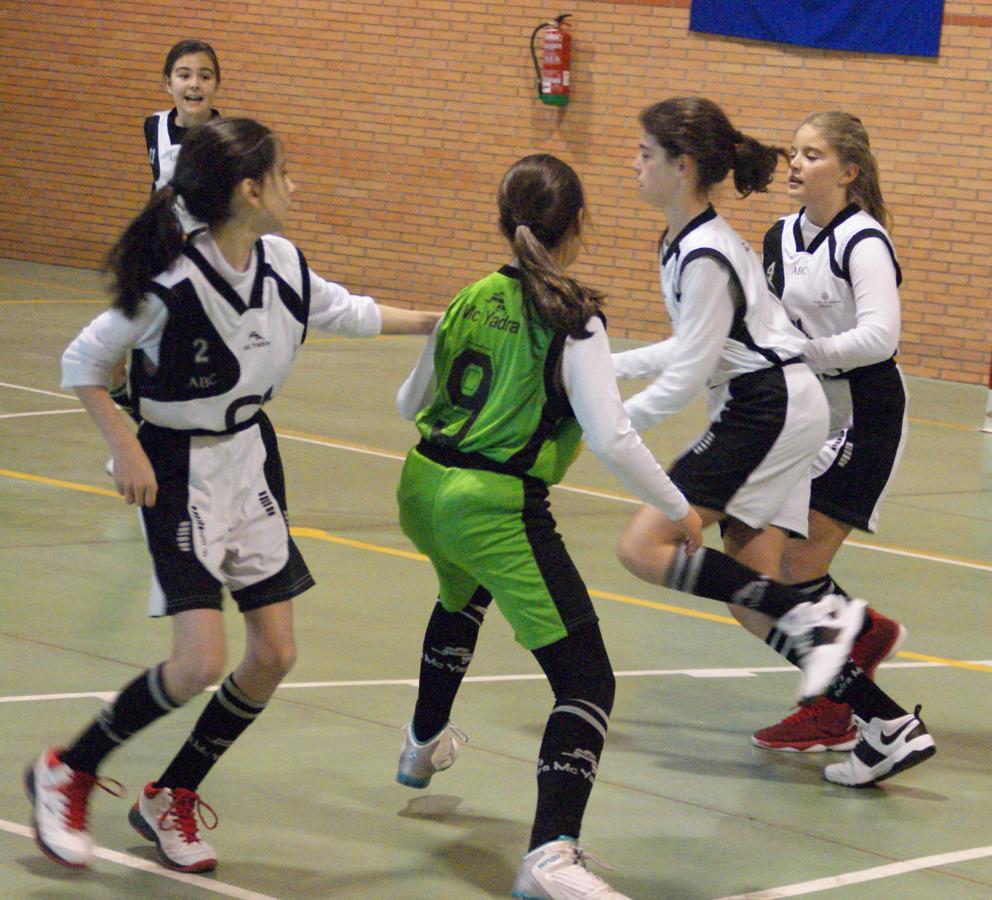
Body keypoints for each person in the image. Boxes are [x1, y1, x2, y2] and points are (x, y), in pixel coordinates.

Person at [390, 154, 851, 900]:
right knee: (587, 681)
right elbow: (610, 438)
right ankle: (550, 857)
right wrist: (675, 505)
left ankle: (419, 745)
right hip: (494, 503)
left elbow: (408, 402)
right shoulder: (574, 315)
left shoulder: (470, 297)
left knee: (460, 597)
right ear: (580, 225)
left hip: (421, 488)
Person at [25, 117, 439, 873]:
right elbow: (82, 361)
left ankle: (169, 793)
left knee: (274, 654)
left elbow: (344, 309)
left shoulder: (279, 260)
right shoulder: (170, 283)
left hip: (249, 458)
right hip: (175, 468)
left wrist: (435, 323)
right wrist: (123, 445)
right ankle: (67, 769)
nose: (295, 185)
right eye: (284, 173)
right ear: (249, 190)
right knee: (196, 664)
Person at [752, 111, 936, 786]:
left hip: (864, 415)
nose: (796, 164)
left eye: (813, 154)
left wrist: (804, 351)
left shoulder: (862, 240)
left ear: (848, 171)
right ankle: (855, 651)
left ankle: (843, 703)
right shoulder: (779, 236)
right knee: (775, 568)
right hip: (809, 412)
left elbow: (879, 338)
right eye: (793, 152)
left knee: (790, 569)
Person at [108, 39, 222, 416]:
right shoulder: (153, 125)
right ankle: (125, 381)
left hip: (204, 249)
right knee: (132, 313)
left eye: (205, 77)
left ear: (215, 85)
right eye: (184, 75)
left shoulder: (225, 138)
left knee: (189, 328)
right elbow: (159, 183)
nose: (194, 84)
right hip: (161, 240)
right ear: (167, 83)